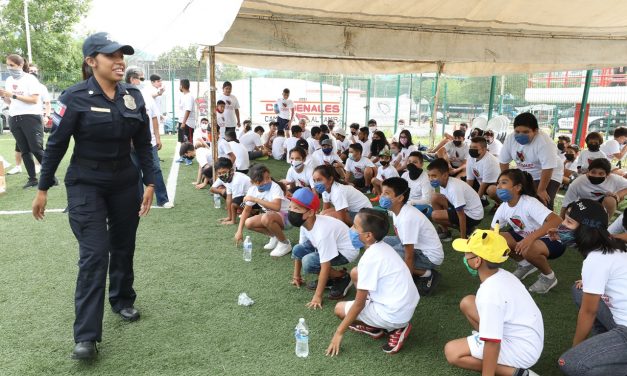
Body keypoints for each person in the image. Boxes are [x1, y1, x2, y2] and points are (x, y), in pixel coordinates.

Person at [31, 32, 155, 360]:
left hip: (125, 181)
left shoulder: (134, 96)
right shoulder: (75, 97)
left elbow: (143, 143)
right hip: (86, 182)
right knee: (95, 254)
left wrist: (151, 182)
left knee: (124, 244)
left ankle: (122, 299)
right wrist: (43, 188)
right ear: (91, 61)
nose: (120, 61)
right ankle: (86, 336)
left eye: (122, 56)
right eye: (111, 56)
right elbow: (56, 144)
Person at [445, 224, 544, 376]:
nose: (464, 257)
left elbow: (492, 344)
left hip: (521, 351)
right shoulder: (502, 274)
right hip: (528, 339)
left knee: (452, 352)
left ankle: (516, 373)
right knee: (468, 302)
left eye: (467, 253)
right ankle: (487, 341)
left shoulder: (489, 293)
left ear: (477, 261)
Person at [325, 208, 419, 356]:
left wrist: (339, 332)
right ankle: (376, 325)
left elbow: (358, 304)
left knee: (339, 309)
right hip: (404, 305)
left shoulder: (369, 259)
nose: (351, 229)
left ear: (368, 236)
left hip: (394, 315)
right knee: (355, 272)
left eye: (355, 227)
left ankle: (395, 329)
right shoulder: (384, 246)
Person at [555, 199, 627, 375]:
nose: (562, 225)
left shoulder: (596, 258)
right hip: (621, 321)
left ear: (586, 229)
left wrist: (575, 349)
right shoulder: (612, 245)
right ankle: (607, 346)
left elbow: (589, 311)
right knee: (579, 290)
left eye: (569, 222)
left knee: (570, 363)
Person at [492, 169, 565, 294]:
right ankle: (525, 264)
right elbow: (493, 232)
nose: (499, 187)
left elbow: (556, 220)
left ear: (518, 187)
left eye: (504, 183)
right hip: (529, 238)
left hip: (553, 240)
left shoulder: (529, 202)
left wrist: (530, 239)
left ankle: (549, 277)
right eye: (498, 183)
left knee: (528, 248)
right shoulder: (503, 207)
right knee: (498, 238)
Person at [289, 188, 358, 305]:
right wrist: (296, 276)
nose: (291, 211)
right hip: (332, 245)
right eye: (290, 207)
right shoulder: (304, 223)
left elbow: (325, 265)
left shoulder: (322, 232)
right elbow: (300, 251)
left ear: (310, 212)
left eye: (296, 208)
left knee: (309, 262)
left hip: (346, 251)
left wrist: (317, 296)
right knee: (298, 249)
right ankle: (329, 279)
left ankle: (342, 276)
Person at [381, 177, 444, 295]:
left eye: (387, 193)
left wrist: (406, 284)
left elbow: (409, 255)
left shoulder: (407, 218)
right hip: (417, 247)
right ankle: (411, 272)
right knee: (381, 243)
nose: (382, 196)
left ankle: (427, 274)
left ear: (400, 198)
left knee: (391, 257)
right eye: (382, 192)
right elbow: (403, 240)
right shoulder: (397, 210)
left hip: (429, 256)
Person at [126, 67, 172, 208]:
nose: (143, 82)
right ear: (132, 79)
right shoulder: (122, 95)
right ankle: (138, 200)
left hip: (148, 142)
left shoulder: (146, 96)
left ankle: (163, 199)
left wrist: (157, 138)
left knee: (155, 169)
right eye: (141, 78)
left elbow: (154, 118)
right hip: (130, 143)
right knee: (134, 171)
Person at [499, 112, 562, 210]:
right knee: (519, 200)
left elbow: (548, 168)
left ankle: (548, 224)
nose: (520, 135)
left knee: (543, 202)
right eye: (517, 131)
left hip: (549, 173)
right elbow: (503, 161)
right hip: (526, 173)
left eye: (526, 132)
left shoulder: (544, 142)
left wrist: (541, 190)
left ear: (535, 131)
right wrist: (505, 181)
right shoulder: (510, 138)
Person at [1, 54, 46, 188]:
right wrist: (4, 97)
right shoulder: (9, 80)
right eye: (7, 65)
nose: (9, 68)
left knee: (36, 149)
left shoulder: (30, 79)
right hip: (14, 117)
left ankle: (50, 176)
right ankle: (32, 179)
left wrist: (13, 95)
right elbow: (10, 102)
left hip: (30, 117)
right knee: (24, 150)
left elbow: (34, 100)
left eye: (12, 65)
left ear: (20, 65)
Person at [234, 164, 292, 257]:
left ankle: (285, 243)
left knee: (266, 217)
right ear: (253, 182)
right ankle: (274, 237)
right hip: (273, 216)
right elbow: (246, 211)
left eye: (268, 178)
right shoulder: (252, 190)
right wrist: (239, 231)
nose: (266, 182)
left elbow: (276, 207)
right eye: (261, 180)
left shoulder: (275, 187)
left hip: (289, 217)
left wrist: (255, 199)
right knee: (248, 223)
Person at [428, 158, 484, 241]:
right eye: (429, 176)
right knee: (434, 198)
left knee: (435, 215)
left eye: (434, 176)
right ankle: (446, 232)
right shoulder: (444, 182)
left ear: (445, 175)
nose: (430, 179)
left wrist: (463, 239)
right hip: (465, 210)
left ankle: (467, 231)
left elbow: (461, 215)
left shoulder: (453, 188)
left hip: (473, 216)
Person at [561, 158, 627, 220]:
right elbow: (566, 204)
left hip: (602, 204)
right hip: (583, 204)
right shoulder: (578, 182)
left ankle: (603, 226)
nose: (596, 175)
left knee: (610, 200)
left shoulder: (614, 179)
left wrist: (618, 195)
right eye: (593, 172)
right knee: (573, 214)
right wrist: (560, 221)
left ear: (608, 175)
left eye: (601, 173)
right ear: (588, 171)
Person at [212, 157, 252, 225]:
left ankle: (253, 211)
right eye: (219, 173)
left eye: (224, 172)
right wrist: (229, 217)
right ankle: (232, 218)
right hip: (246, 197)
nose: (222, 175)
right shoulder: (228, 179)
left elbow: (234, 202)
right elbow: (228, 198)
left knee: (234, 203)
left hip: (253, 200)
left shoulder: (237, 181)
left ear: (231, 170)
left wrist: (232, 220)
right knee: (233, 202)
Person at [466, 136, 500, 206]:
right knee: (462, 184)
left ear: (484, 149)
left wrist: (475, 203)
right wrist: (466, 196)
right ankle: (483, 200)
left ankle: (501, 203)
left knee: (491, 190)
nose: (472, 149)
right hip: (480, 182)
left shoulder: (490, 161)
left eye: (475, 147)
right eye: (471, 147)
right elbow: (470, 179)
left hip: (493, 184)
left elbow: (484, 184)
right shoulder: (470, 158)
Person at [401, 151, 433, 217]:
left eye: (415, 162)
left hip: (422, 205)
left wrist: (412, 202)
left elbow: (427, 200)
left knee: (415, 211)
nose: (411, 164)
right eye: (409, 162)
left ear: (421, 164)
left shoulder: (426, 178)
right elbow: (400, 192)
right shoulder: (404, 175)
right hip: (407, 203)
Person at [177, 78, 196, 144]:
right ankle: (183, 155)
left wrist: (183, 123)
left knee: (188, 144)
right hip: (182, 122)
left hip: (187, 124)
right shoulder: (183, 96)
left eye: (180, 85)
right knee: (182, 143)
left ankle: (189, 154)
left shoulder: (189, 96)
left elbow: (188, 110)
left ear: (181, 86)